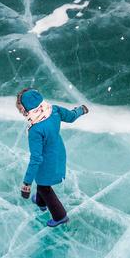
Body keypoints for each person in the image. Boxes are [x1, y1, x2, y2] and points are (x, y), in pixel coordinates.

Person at [16, 88, 89, 227]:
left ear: (27, 108)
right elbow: (71, 117)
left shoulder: (35, 129)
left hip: (46, 160)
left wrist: (26, 184)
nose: (21, 111)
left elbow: (36, 159)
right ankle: (40, 202)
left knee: (44, 187)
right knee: (42, 182)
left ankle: (60, 216)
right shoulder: (53, 110)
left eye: (22, 108)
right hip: (58, 153)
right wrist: (81, 110)